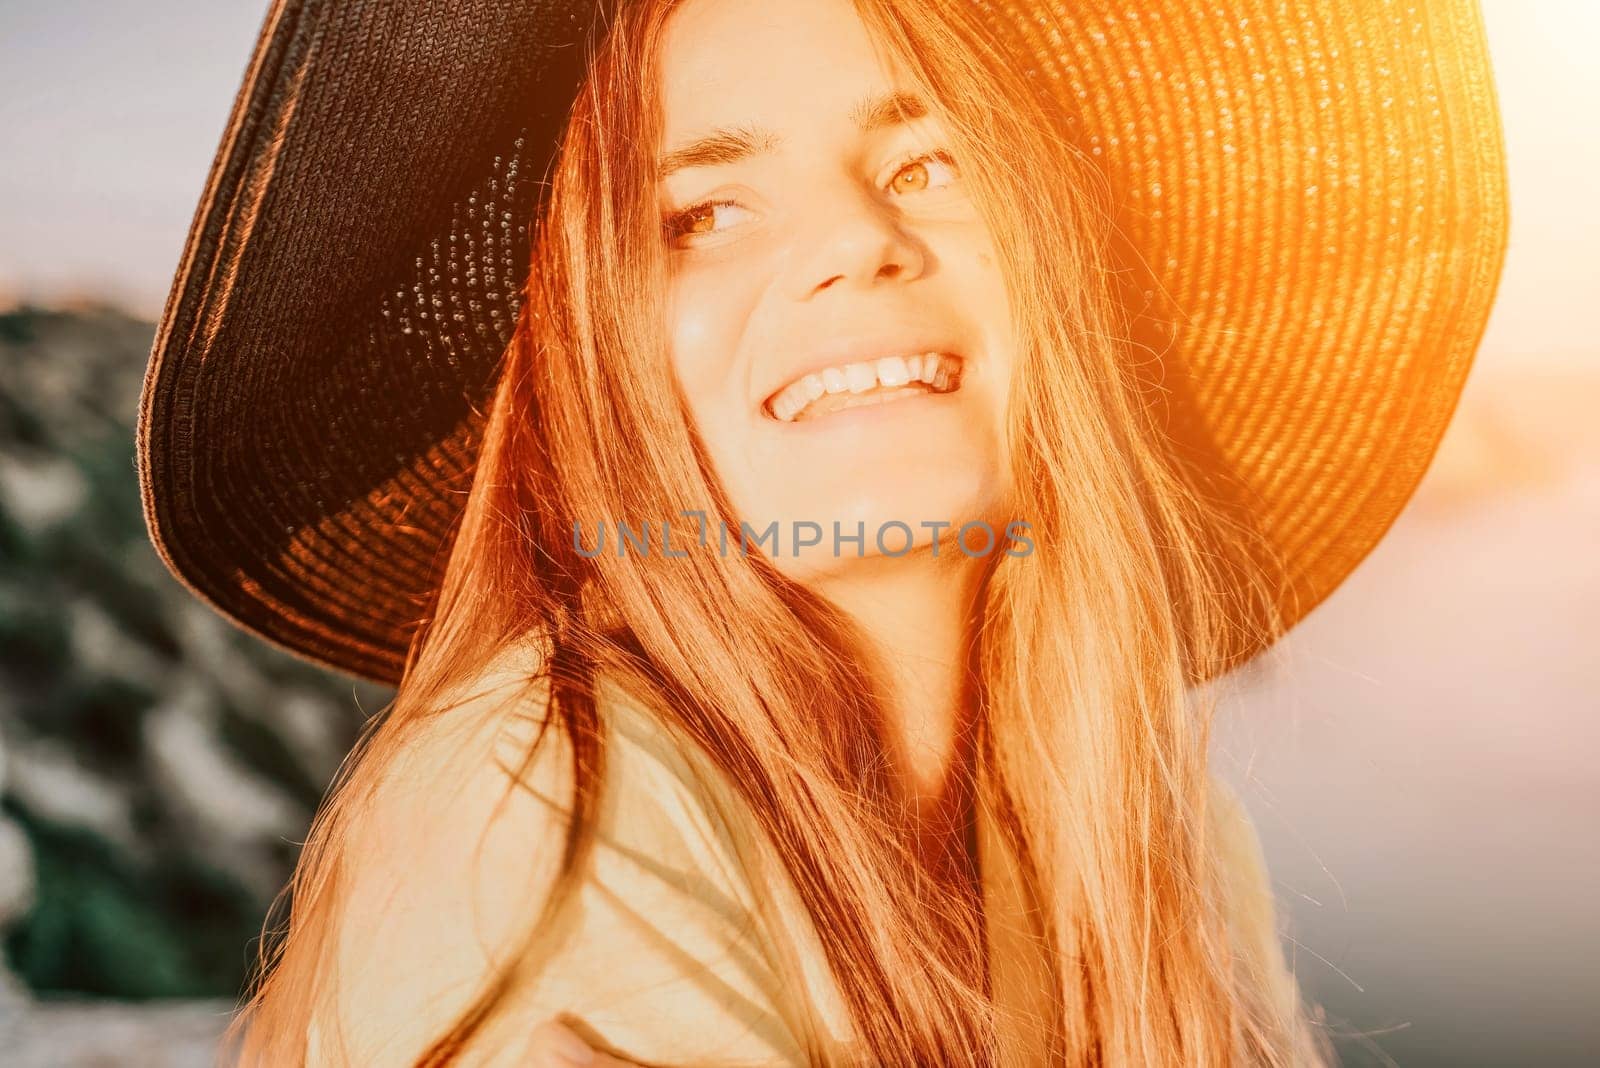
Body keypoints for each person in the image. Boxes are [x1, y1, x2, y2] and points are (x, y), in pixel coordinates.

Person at [134, 0, 1508, 1064]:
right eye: (706, 212)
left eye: (928, 163)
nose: (855, 240)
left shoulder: (1154, 819)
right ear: (594, 367)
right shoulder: (552, 805)